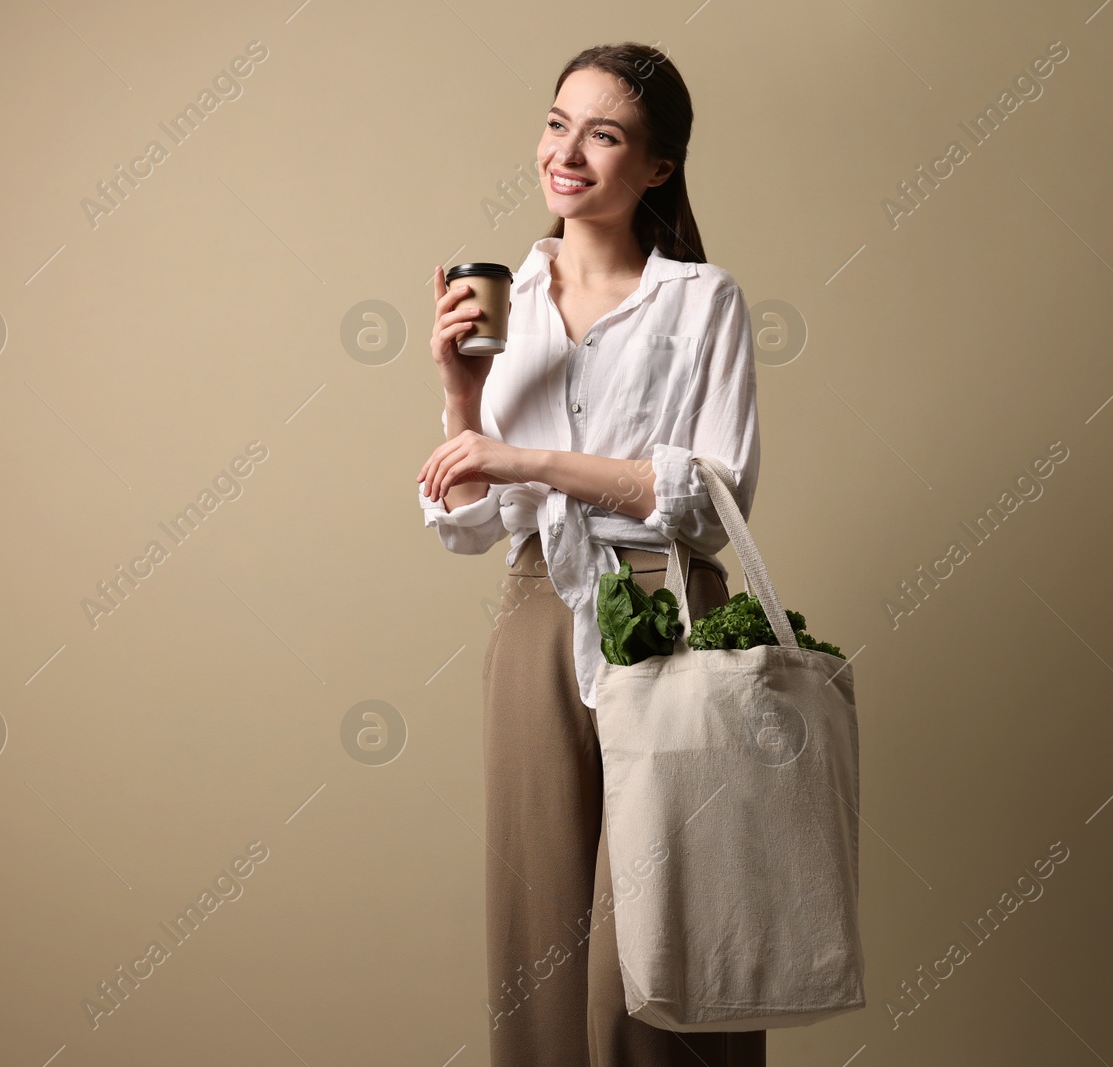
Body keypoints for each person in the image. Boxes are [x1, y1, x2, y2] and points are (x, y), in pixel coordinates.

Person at [415, 41, 763, 1067]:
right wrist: (457, 396)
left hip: (673, 619)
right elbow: (468, 522)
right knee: (536, 941)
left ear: (656, 166)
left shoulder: (702, 301)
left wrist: (527, 455)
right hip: (537, 616)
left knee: (655, 947)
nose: (566, 152)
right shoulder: (504, 306)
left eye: (603, 134)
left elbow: (710, 496)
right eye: (557, 122)